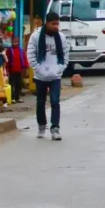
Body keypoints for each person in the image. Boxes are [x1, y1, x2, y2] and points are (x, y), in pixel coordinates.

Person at [26, 11, 69, 141]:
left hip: (55, 76)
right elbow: (30, 54)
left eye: (57, 24)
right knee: (41, 102)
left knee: (55, 101)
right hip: (41, 76)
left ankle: (55, 128)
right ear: (47, 23)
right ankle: (41, 125)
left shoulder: (61, 37)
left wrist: (60, 68)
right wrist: (37, 69)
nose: (56, 27)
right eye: (53, 24)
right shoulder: (36, 36)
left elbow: (66, 54)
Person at [5, 35, 29, 104]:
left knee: (19, 84)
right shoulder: (9, 50)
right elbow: (6, 60)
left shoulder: (21, 50)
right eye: (13, 42)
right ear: (11, 42)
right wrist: (6, 69)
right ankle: (12, 98)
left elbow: (24, 58)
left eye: (16, 42)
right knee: (12, 84)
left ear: (18, 42)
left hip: (19, 70)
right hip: (12, 70)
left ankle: (17, 97)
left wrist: (26, 66)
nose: (15, 43)